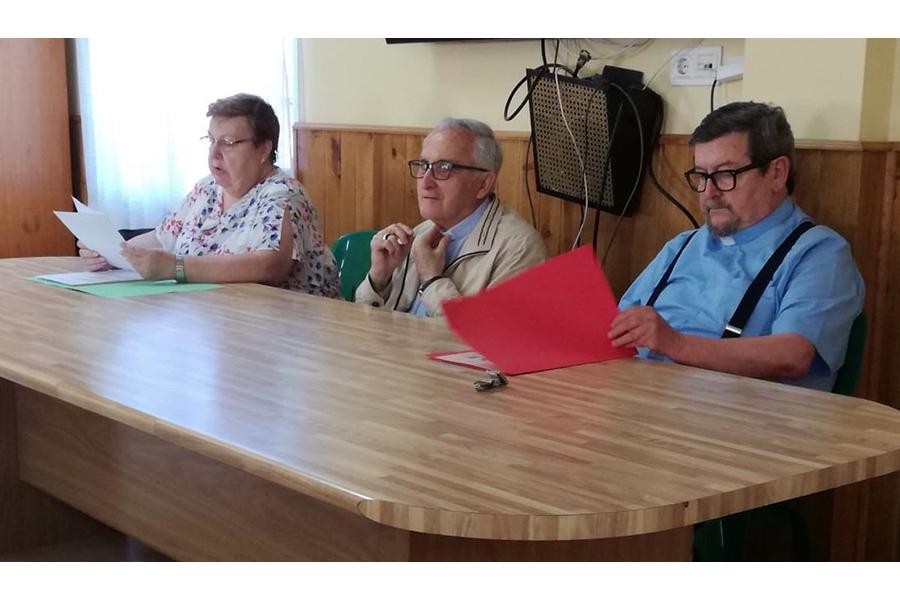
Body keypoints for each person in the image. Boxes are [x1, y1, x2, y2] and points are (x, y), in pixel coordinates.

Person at [609, 101, 864, 392]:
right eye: (701, 176)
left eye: (725, 174)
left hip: (742, 424)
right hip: (640, 401)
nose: (709, 192)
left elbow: (794, 355)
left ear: (777, 173)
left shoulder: (819, 253)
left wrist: (675, 343)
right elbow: (617, 325)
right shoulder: (682, 246)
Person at [78, 93, 339, 298]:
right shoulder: (207, 189)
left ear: (263, 149)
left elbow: (270, 265)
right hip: (219, 323)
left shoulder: (282, 195)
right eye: (211, 140)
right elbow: (163, 238)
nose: (214, 153)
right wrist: (110, 252)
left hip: (288, 334)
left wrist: (175, 268)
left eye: (227, 143)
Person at [355, 117, 547, 317]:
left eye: (444, 168)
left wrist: (432, 280)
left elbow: (486, 340)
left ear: (483, 184)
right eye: (423, 165)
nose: (425, 182)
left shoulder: (520, 249)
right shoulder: (420, 233)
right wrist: (379, 279)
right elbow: (360, 328)